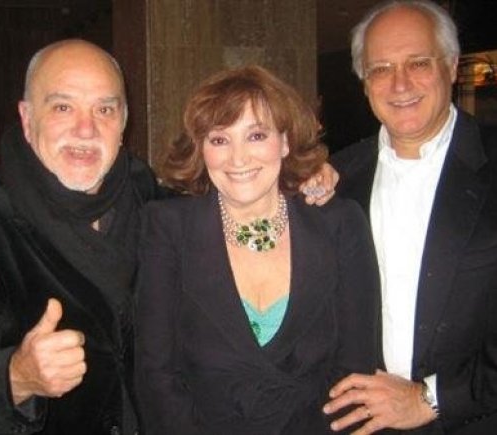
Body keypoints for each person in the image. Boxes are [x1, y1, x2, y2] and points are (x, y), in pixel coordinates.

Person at [0, 39, 163, 435]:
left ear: (123, 121)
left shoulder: (157, 206)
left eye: (104, 109)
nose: (86, 129)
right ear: (27, 118)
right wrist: (17, 377)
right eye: (63, 107)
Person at [135, 65, 381, 434]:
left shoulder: (340, 223)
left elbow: (356, 367)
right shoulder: (168, 227)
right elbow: (156, 374)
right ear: (201, 149)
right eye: (219, 140)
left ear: (284, 141)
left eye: (256, 135)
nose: (238, 159)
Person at [319, 1, 497, 434]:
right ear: (364, 83)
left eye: (418, 63)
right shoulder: (337, 179)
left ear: (451, 66)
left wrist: (431, 398)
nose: (400, 84)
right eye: (381, 69)